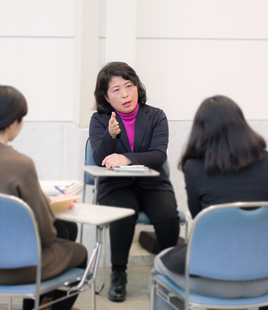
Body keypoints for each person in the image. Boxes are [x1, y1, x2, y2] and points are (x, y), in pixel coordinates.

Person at [150, 95, 268, 309]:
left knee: (159, 263)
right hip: (265, 278)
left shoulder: (195, 168)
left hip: (213, 278)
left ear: (201, 131)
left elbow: (200, 217)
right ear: (241, 124)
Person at [0, 85, 87, 310]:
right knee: (81, 253)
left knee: (66, 231)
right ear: (12, 123)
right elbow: (46, 235)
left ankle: (41, 305)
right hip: (18, 268)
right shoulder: (21, 164)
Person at [89, 62, 180, 302]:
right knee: (123, 213)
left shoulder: (156, 116)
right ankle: (118, 274)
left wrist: (125, 158)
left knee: (168, 216)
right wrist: (111, 135)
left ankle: (168, 274)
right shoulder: (100, 119)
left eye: (129, 86)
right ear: (106, 97)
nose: (125, 94)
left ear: (138, 86)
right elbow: (100, 159)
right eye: (116, 90)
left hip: (153, 185)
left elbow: (158, 156)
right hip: (116, 186)